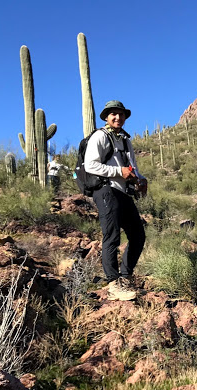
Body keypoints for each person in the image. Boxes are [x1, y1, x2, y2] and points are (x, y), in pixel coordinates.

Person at [85, 100, 147, 302]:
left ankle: (125, 277)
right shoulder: (100, 136)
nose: (117, 117)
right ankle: (113, 283)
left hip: (122, 192)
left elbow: (132, 168)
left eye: (121, 114)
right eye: (113, 114)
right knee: (111, 235)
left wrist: (140, 180)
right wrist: (117, 172)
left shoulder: (125, 140)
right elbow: (90, 165)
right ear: (106, 117)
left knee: (137, 235)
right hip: (105, 190)